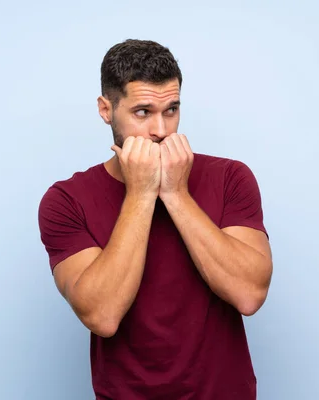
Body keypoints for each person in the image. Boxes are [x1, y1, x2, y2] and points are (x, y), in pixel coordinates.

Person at [37, 39, 273, 399]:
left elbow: (249, 295)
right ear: (106, 109)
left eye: (172, 109)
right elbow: (102, 315)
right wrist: (141, 193)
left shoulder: (231, 178)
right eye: (143, 112)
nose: (161, 130)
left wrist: (176, 194)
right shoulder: (66, 201)